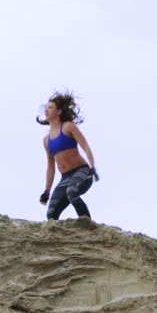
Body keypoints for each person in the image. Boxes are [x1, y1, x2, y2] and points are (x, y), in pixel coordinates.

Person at [36, 91, 99, 220]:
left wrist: (92, 167)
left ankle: (87, 225)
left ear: (59, 112)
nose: (46, 111)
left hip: (83, 172)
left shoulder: (68, 127)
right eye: (46, 108)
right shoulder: (46, 141)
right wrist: (47, 191)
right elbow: (51, 167)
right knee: (51, 213)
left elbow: (85, 146)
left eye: (50, 107)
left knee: (71, 192)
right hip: (65, 178)